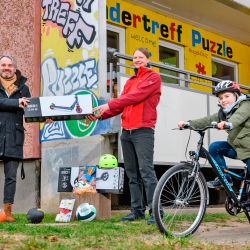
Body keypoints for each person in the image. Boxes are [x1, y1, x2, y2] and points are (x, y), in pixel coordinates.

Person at [86, 47, 163, 225]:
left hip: (143, 130)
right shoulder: (130, 81)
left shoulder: (153, 77)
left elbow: (136, 97)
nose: (137, 60)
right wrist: (100, 116)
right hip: (126, 131)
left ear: (148, 59)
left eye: (141, 57)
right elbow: (121, 106)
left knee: (146, 171)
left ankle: (156, 211)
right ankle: (137, 211)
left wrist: (108, 104)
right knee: (132, 173)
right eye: (135, 57)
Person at [178, 80, 250, 188]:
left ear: (236, 94)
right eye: (221, 98)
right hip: (236, 148)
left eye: (227, 96)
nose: (223, 100)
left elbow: (239, 116)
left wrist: (229, 123)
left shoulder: (246, 104)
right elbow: (207, 120)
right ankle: (224, 178)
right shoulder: (223, 112)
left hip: (248, 150)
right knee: (214, 147)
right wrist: (188, 123)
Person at [0, 55, 30, 222]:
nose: (6, 68)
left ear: (14, 68)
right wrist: (15, 103)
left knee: (11, 177)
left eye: (10, 65)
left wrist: (44, 117)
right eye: (3, 65)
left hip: (14, 137)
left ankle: (8, 211)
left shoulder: (23, 87)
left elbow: (31, 110)